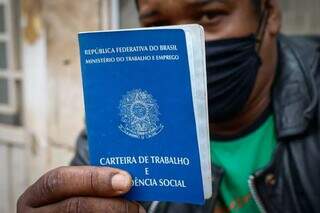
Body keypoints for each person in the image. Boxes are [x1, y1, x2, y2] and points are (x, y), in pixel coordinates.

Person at [18, 0, 320, 212]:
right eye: (157, 24)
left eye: (209, 15)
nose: (185, 44)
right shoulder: (114, 138)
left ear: (270, 12)